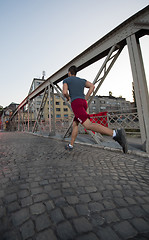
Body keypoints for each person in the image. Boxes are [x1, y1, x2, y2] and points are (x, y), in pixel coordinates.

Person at [63, 65, 128, 153]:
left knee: (88, 125)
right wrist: (86, 97)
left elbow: (64, 92)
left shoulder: (67, 80)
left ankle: (115, 133)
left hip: (76, 104)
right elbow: (92, 86)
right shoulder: (82, 80)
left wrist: (68, 98)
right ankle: (71, 145)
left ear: (69, 73)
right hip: (83, 103)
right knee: (75, 124)